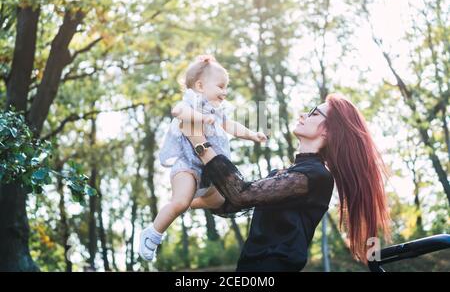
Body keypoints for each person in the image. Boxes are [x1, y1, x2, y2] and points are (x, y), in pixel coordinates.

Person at [183, 94, 391, 271]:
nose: (303, 115)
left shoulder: (317, 176)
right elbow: (232, 203)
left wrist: (199, 141)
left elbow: (241, 194)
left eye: (314, 113)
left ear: (328, 131)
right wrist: (187, 198)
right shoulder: (283, 174)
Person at [138, 55, 267, 261]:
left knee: (220, 200)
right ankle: (152, 233)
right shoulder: (191, 102)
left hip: (208, 173)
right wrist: (200, 117)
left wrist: (252, 135)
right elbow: (177, 111)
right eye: (220, 86)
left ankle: (188, 201)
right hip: (187, 167)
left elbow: (231, 125)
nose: (224, 92)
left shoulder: (216, 110)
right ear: (199, 85)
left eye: (226, 88)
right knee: (179, 202)